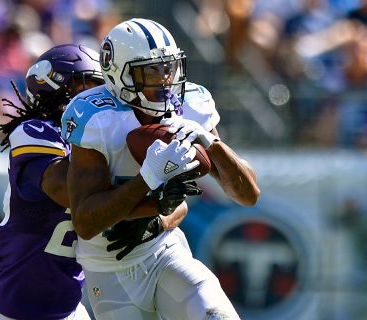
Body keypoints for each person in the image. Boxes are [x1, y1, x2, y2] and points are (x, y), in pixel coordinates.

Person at [61, 18, 260, 320]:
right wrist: (146, 180)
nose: (165, 79)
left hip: (164, 252)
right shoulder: (96, 118)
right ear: (118, 74)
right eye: (151, 70)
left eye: (168, 67)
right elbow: (86, 221)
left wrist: (211, 142)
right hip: (109, 268)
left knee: (217, 315)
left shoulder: (192, 105)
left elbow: (248, 195)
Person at [0, 44, 106, 320]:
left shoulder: (93, 143)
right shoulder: (34, 132)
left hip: (69, 305)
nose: (97, 99)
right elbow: (66, 189)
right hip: (18, 307)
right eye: (86, 87)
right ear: (53, 88)